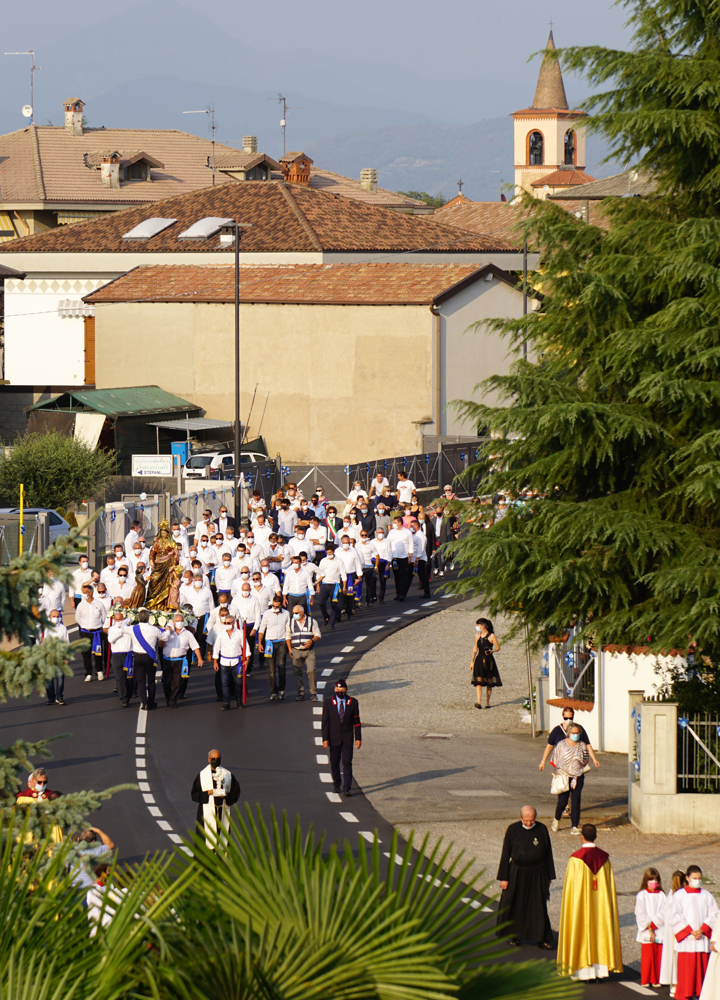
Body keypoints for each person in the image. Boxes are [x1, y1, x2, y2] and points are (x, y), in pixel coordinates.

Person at [557, 823, 622, 980]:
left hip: (581, 906)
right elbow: (608, 886)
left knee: (580, 926)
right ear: (596, 836)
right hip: (601, 907)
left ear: (582, 837)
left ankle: (583, 972)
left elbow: (571, 889)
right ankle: (601, 971)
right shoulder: (605, 859)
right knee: (600, 927)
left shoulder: (576, 859)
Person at [497, 805, 555, 949]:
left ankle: (541, 938)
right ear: (520, 817)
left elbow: (548, 854)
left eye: (532, 820)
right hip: (517, 871)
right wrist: (504, 878)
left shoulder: (541, 829)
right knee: (516, 903)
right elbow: (505, 854)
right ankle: (514, 936)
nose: (529, 823)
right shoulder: (513, 829)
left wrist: (549, 876)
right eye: (526, 820)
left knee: (538, 905)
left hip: (537, 872)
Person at [670, 865, 719, 1000]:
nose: (698, 880)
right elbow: (674, 916)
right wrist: (689, 930)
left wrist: (703, 929)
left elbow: (714, 914)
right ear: (687, 878)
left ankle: (701, 993)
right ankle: (684, 994)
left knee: (701, 969)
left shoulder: (706, 895)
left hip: (701, 936)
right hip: (687, 938)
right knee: (686, 970)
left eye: (699, 878)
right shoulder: (679, 895)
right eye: (694, 878)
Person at [191, 749, 241, 848]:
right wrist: (208, 793)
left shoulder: (227, 775)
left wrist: (226, 796)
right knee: (205, 839)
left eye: (218, 759)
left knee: (223, 839)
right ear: (209, 759)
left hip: (222, 812)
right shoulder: (202, 776)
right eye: (213, 759)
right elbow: (194, 795)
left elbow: (236, 792)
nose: (215, 761)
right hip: (206, 813)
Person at [321, 678, 361, 797]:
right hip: (334, 738)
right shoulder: (328, 703)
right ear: (334, 690)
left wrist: (358, 738)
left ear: (346, 690)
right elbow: (325, 723)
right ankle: (337, 784)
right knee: (334, 762)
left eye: (342, 690)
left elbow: (357, 722)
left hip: (347, 737)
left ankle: (347, 787)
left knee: (347, 762)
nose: (340, 693)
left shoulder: (353, 702)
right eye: (338, 690)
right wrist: (325, 739)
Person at [550, 722, 589, 835]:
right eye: (573, 733)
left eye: (577, 733)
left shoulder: (582, 745)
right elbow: (555, 759)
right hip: (564, 776)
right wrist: (561, 772)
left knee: (576, 801)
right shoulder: (561, 745)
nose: (575, 735)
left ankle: (574, 825)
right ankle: (557, 819)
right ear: (568, 733)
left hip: (578, 776)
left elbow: (585, 760)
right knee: (562, 801)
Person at [122, 608, 165, 710]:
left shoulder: (133, 628)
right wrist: (167, 630)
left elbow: (123, 627)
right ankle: (151, 702)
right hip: (149, 657)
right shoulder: (154, 629)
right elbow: (164, 638)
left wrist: (127, 619)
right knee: (151, 681)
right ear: (149, 618)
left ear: (138, 618)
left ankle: (144, 702)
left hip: (137, 657)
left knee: (141, 681)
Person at [163, 612, 204, 708]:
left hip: (180, 660)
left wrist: (200, 659)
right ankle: (168, 697)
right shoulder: (168, 632)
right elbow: (161, 644)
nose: (179, 623)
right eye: (177, 621)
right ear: (173, 622)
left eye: (181, 621)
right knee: (166, 681)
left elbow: (195, 647)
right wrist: (166, 633)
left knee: (177, 682)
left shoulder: (187, 634)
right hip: (167, 660)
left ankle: (173, 701)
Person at [636, 868, 666, 987]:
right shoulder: (641, 895)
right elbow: (640, 913)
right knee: (648, 957)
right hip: (647, 930)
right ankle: (646, 979)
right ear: (646, 880)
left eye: (656, 880)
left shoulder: (662, 895)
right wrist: (649, 929)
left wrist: (654, 926)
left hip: (659, 929)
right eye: (651, 879)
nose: (654, 882)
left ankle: (657, 979)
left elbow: (663, 913)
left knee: (658, 956)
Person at [212, 615, 249, 710]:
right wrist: (215, 662)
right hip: (224, 661)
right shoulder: (221, 634)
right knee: (224, 683)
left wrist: (247, 659)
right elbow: (216, 649)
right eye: (225, 623)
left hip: (237, 661)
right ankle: (226, 703)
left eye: (228, 623)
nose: (227, 625)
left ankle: (239, 700)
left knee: (238, 682)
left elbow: (246, 647)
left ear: (233, 623)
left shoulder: (240, 633)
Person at [286, 604, 321, 702]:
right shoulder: (290, 622)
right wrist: (289, 649)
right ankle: (300, 693)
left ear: (302, 613)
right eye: (293, 613)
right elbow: (288, 636)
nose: (294, 615)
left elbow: (317, 634)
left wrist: (311, 641)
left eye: (296, 613)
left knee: (311, 670)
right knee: (297, 672)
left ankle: (313, 693)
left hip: (309, 651)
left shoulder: (311, 621)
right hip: (296, 650)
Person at [258, 597, 290, 701]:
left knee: (281, 667)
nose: (275, 608)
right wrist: (259, 643)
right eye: (273, 606)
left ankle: (282, 690)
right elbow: (262, 628)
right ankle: (273, 691)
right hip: (269, 644)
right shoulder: (267, 614)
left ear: (281, 605)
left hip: (281, 642)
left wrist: (289, 646)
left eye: (277, 606)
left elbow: (288, 629)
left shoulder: (286, 614)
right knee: (271, 670)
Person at [662, 871, 688, 996]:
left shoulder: (670, 894)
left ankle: (673, 985)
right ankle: (678, 985)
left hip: (670, 932)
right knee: (679, 959)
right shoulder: (682, 895)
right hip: (680, 931)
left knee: (671, 958)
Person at [146, 521, 180, 610]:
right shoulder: (157, 541)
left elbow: (176, 554)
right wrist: (151, 561)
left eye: (165, 533)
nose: (163, 534)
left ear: (168, 533)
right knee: (153, 581)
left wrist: (174, 565)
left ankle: (163, 605)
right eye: (162, 533)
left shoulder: (171, 542)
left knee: (166, 584)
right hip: (158, 565)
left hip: (167, 565)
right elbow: (152, 552)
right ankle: (152, 604)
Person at [76, 584, 106, 681]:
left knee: (98, 652)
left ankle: (99, 670)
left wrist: (97, 625)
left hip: (97, 632)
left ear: (90, 593)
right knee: (86, 653)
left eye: (85, 593)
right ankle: (88, 672)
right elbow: (77, 618)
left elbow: (104, 616)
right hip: (85, 631)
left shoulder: (99, 604)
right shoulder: (81, 605)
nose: (83, 595)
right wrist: (85, 626)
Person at [470, 618, 502, 708]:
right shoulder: (477, 635)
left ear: (483, 626)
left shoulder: (491, 636)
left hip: (489, 660)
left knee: (489, 682)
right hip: (479, 659)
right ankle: (479, 702)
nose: (477, 627)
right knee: (478, 681)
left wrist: (492, 651)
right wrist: (472, 661)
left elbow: (498, 647)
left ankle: (487, 702)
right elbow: (475, 648)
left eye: (478, 625)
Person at [315, 544, 347, 628]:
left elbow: (343, 575)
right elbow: (319, 573)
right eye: (327, 553)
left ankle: (332, 623)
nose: (329, 554)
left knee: (334, 604)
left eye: (330, 552)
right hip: (324, 585)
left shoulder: (339, 561)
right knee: (321, 602)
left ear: (333, 552)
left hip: (334, 586)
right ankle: (326, 617)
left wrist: (344, 586)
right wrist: (318, 585)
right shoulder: (323, 561)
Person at [106, 608, 133, 707]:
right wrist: (121, 630)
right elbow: (110, 639)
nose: (118, 622)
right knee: (120, 678)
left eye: (120, 619)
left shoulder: (129, 628)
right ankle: (123, 699)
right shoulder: (112, 629)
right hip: (117, 656)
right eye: (116, 620)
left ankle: (129, 695)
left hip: (128, 656)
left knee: (130, 678)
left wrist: (126, 625)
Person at [42, 609, 69, 706]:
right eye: (54, 616)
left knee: (60, 678)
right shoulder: (47, 628)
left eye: (57, 616)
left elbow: (66, 642)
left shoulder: (63, 628)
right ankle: (51, 698)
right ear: (50, 617)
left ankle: (59, 697)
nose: (56, 618)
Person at [387, 516, 413, 601]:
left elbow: (411, 544)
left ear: (400, 523)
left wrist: (410, 556)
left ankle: (402, 594)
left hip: (404, 556)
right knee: (396, 575)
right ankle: (398, 593)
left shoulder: (407, 532)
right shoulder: (391, 532)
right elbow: (388, 543)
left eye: (395, 522)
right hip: (395, 557)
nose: (393, 524)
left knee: (403, 575)